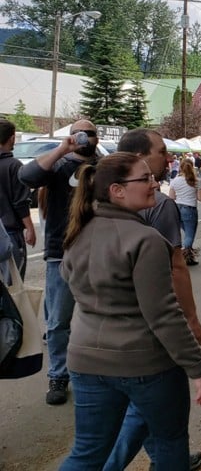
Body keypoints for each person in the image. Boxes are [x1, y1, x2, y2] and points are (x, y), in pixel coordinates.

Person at [58, 152, 201, 470]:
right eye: (144, 179)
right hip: (145, 364)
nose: (154, 183)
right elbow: (163, 314)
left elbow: (73, 288)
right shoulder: (145, 240)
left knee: (87, 452)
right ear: (116, 190)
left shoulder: (77, 234)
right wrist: (198, 367)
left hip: (86, 360)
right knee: (170, 442)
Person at [110, 129, 201, 471]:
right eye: (162, 151)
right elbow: (176, 267)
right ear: (140, 157)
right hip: (149, 329)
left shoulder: (100, 200)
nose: (168, 158)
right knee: (158, 415)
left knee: (136, 412)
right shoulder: (158, 204)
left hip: (103, 335)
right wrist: (191, 320)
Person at [18, 119, 100, 405]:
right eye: (78, 134)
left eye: (90, 133)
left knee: (102, 316)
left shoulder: (105, 166)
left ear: (97, 137)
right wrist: (61, 149)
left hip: (100, 253)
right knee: (57, 323)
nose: (84, 138)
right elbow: (26, 176)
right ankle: (59, 376)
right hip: (60, 254)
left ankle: (99, 373)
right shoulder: (58, 166)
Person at [0, 119, 36, 282]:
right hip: (9, 233)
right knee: (13, 287)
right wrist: (30, 228)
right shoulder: (14, 166)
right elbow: (20, 202)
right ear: (12, 138)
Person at [169, 157, 201, 266]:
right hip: (190, 209)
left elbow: (171, 197)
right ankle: (183, 256)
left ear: (180, 168)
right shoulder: (196, 181)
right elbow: (200, 198)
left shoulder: (175, 180)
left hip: (177, 208)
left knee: (185, 232)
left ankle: (188, 256)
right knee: (189, 235)